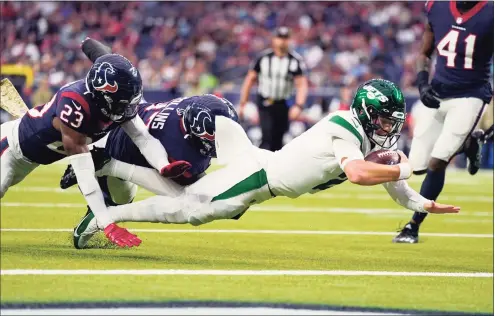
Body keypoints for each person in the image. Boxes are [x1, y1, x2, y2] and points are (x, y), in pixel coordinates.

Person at [73, 79, 460, 247]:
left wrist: (422, 203)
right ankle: (108, 214)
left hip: (263, 163)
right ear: (366, 111)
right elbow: (360, 174)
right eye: (384, 119)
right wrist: (403, 167)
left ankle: (109, 166)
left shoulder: (360, 134)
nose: (388, 128)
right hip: (261, 176)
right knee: (188, 209)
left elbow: (389, 182)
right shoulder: (344, 127)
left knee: (186, 197)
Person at [0, 53, 192, 248]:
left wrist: (163, 165)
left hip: (39, 153)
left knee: (122, 191)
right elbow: (84, 173)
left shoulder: (113, 102)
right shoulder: (75, 105)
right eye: (122, 100)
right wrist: (107, 223)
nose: (127, 107)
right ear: (102, 94)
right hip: (11, 149)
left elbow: (142, 136)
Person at [60, 94, 239, 248]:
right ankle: (107, 168)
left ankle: (103, 201)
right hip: (112, 148)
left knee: (121, 198)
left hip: (127, 128)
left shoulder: (192, 105)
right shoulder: (181, 150)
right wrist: (229, 200)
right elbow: (198, 191)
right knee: (195, 204)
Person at [393, 0, 493, 244]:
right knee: (417, 166)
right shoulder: (436, 6)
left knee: (438, 162)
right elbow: (425, 52)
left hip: (471, 95)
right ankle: (469, 144)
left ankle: (412, 226)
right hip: (438, 93)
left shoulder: (490, 11)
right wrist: (422, 82)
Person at [238, 26, 308, 151]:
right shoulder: (263, 58)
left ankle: (273, 166)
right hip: (265, 101)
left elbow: (301, 84)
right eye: (280, 38)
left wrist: (299, 105)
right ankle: (261, 164)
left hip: (283, 103)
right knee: (267, 135)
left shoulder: (295, 61)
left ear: (290, 40)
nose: (282, 41)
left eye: (285, 38)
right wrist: (243, 102)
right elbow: (249, 79)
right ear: (274, 39)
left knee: (279, 137)